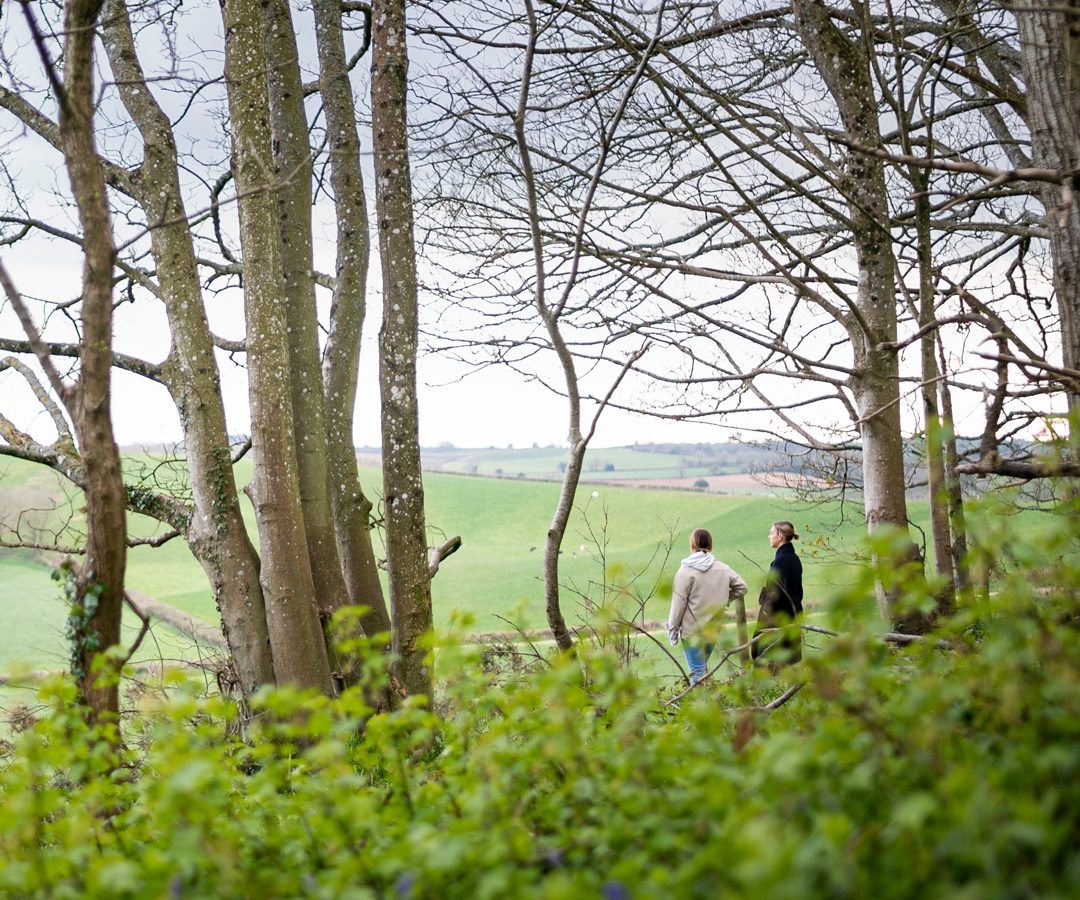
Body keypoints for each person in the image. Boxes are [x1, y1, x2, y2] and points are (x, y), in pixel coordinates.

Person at [667, 527, 749, 686]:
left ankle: (701, 708)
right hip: (713, 629)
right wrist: (724, 600)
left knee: (697, 674)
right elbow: (742, 587)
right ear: (710, 545)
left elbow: (678, 603)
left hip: (692, 631)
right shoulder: (722, 568)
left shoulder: (685, 571)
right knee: (702, 670)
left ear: (692, 545)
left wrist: (672, 629)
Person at [751, 520, 803, 669]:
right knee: (790, 667)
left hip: (777, 624)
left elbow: (774, 597)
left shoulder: (780, 562)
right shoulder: (794, 559)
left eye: (772, 533)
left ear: (780, 536)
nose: (769, 536)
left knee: (768, 667)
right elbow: (797, 593)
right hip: (793, 618)